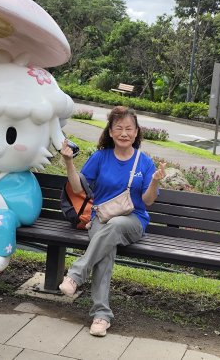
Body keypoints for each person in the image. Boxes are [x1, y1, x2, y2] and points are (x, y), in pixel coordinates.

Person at [59, 106, 166, 337]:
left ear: (136, 133)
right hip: (102, 217)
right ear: (110, 132)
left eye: (129, 129)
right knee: (105, 248)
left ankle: (76, 275)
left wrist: (155, 182)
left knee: (114, 228)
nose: (124, 133)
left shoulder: (144, 162)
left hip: (132, 220)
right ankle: (101, 316)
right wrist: (69, 162)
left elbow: (147, 202)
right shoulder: (100, 157)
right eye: (119, 128)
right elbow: (79, 188)